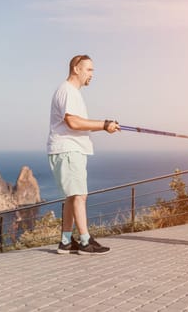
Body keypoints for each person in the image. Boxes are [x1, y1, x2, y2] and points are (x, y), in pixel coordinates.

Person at [47, 54, 120, 255]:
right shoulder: (68, 91)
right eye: (89, 69)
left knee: (73, 196)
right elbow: (74, 122)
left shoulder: (70, 92)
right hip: (68, 149)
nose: (92, 74)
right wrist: (104, 125)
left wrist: (105, 125)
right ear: (76, 69)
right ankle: (86, 242)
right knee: (80, 195)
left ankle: (66, 241)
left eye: (92, 70)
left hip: (70, 149)